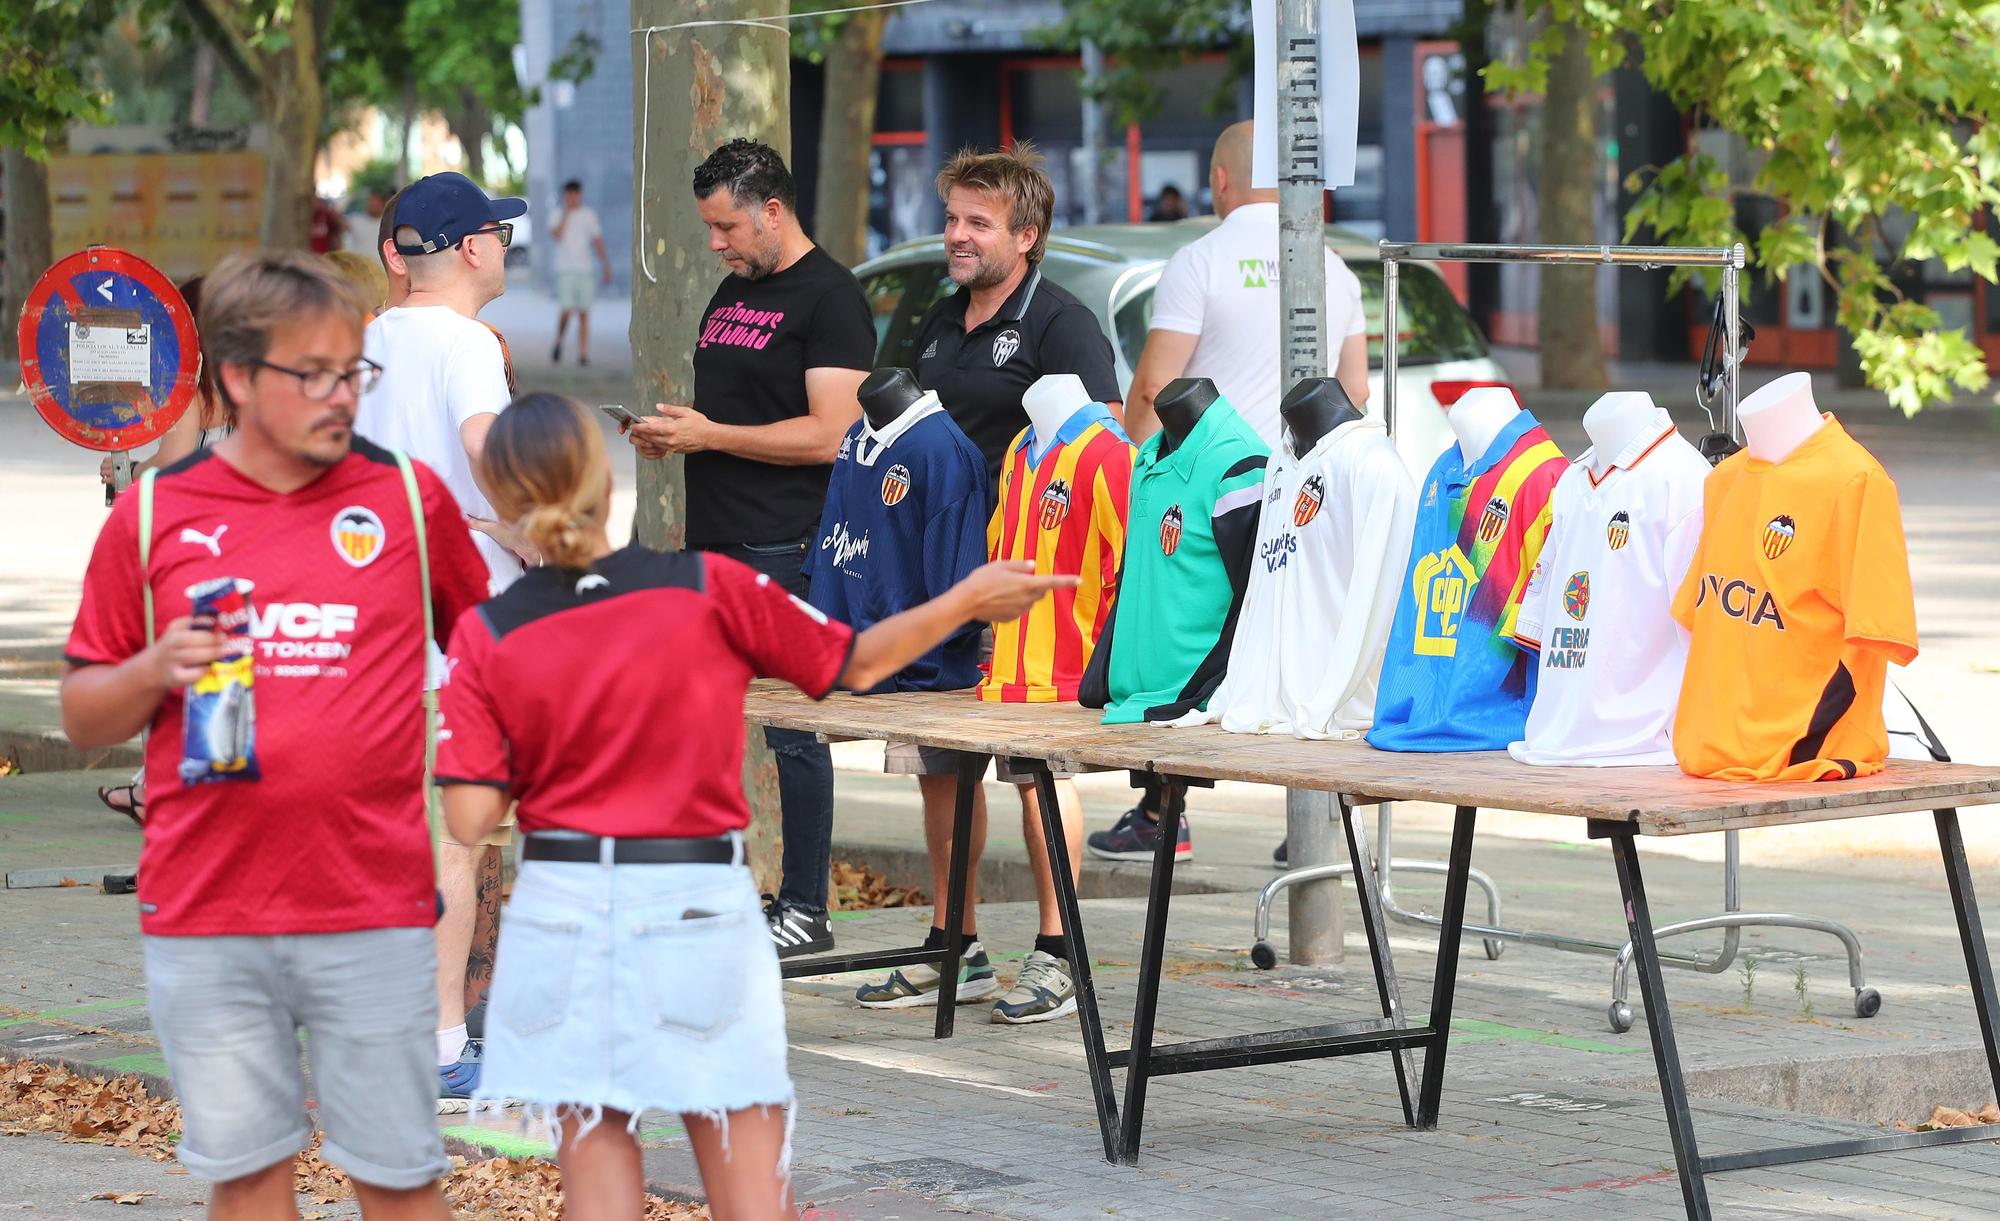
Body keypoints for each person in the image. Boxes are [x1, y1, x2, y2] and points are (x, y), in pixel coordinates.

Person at [438, 393, 1073, 1220]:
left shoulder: (490, 633)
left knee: (596, 1189)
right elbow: (849, 660)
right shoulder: (706, 587)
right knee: (745, 1185)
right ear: (602, 482)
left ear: (506, 500)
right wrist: (964, 601)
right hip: (695, 905)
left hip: (566, 916)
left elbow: (467, 817)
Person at [60, 251, 491, 1219]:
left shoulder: (407, 504)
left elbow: (490, 657)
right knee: (249, 1180)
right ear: (241, 380)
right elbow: (84, 712)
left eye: (354, 370)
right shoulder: (154, 517)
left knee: (397, 1178)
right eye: (316, 373)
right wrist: (151, 667)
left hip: (372, 912)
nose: (344, 395)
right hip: (209, 914)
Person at [857, 143, 1124, 1026]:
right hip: (937, 585)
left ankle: (1056, 949)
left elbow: (1103, 452)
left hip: (1023, 594)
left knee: (1035, 772)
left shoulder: (1063, 324)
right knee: (939, 769)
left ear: (1027, 234)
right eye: (953, 219)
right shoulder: (939, 319)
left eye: (978, 222)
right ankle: (954, 946)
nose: (957, 236)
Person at [1090, 118, 1371, 869]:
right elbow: (1355, 393)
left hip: (1218, 488)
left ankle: (1162, 811)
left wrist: (1150, 472)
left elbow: (1154, 384)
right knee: (1298, 649)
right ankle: (1320, 824)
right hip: (1307, 490)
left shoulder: (1200, 261)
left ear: (1219, 179)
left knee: (1186, 651)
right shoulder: (1334, 270)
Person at [624, 138, 873, 960]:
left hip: (786, 540)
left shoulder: (832, 299)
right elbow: (730, 418)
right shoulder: (732, 291)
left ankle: (806, 905)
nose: (717, 244)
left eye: (727, 225)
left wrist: (712, 435)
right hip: (715, 536)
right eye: (709, 229)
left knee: (792, 729)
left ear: (773, 210)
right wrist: (677, 437)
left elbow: (833, 434)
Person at [352, 169, 529, 1110]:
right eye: (501, 235)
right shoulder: (466, 344)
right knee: (451, 853)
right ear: (468, 248)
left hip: (368, 644)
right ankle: (445, 1049)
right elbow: (486, 449)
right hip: (451, 649)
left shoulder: (365, 343)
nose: (506, 250)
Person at [94, 275, 226, 828]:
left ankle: (158, 792)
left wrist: (124, 472)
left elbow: (169, 467)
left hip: (189, 551)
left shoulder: (191, 387)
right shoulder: (256, 381)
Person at [549, 179, 612, 365]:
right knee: (566, 310)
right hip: (565, 269)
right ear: (565, 195)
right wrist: (566, 214)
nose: (573, 198)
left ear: (580, 194)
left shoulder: (589, 215)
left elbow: (597, 240)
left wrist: (605, 265)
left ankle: (583, 353)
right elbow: (557, 235)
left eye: (575, 194)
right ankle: (559, 341)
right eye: (569, 194)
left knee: (584, 312)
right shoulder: (557, 214)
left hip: (585, 269)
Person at [346, 188, 390, 261]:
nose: (372, 205)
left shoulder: (389, 223)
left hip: (382, 269)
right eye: (370, 202)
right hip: (360, 268)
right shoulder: (356, 220)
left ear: (383, 203)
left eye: (376, 203)